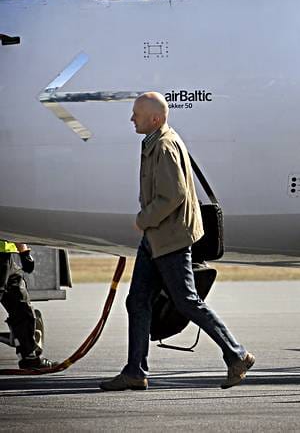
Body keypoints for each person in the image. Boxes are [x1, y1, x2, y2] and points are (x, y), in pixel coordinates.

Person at [100, 92, 254, 391]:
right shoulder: (156, 142)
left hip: (169, 238)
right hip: (155, 238)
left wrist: (143, 218)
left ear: (155, 119)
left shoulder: (165, 146)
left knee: (186, 302)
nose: (132, 119)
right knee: (137, 301)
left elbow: (174, 196)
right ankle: (135, 371)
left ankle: (237, 354)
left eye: (137, 114)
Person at [0, 240, 53, 370]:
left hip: (6, 256)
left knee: (21, 305)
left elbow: (12, 225)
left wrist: (23, 252)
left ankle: (29, 357)